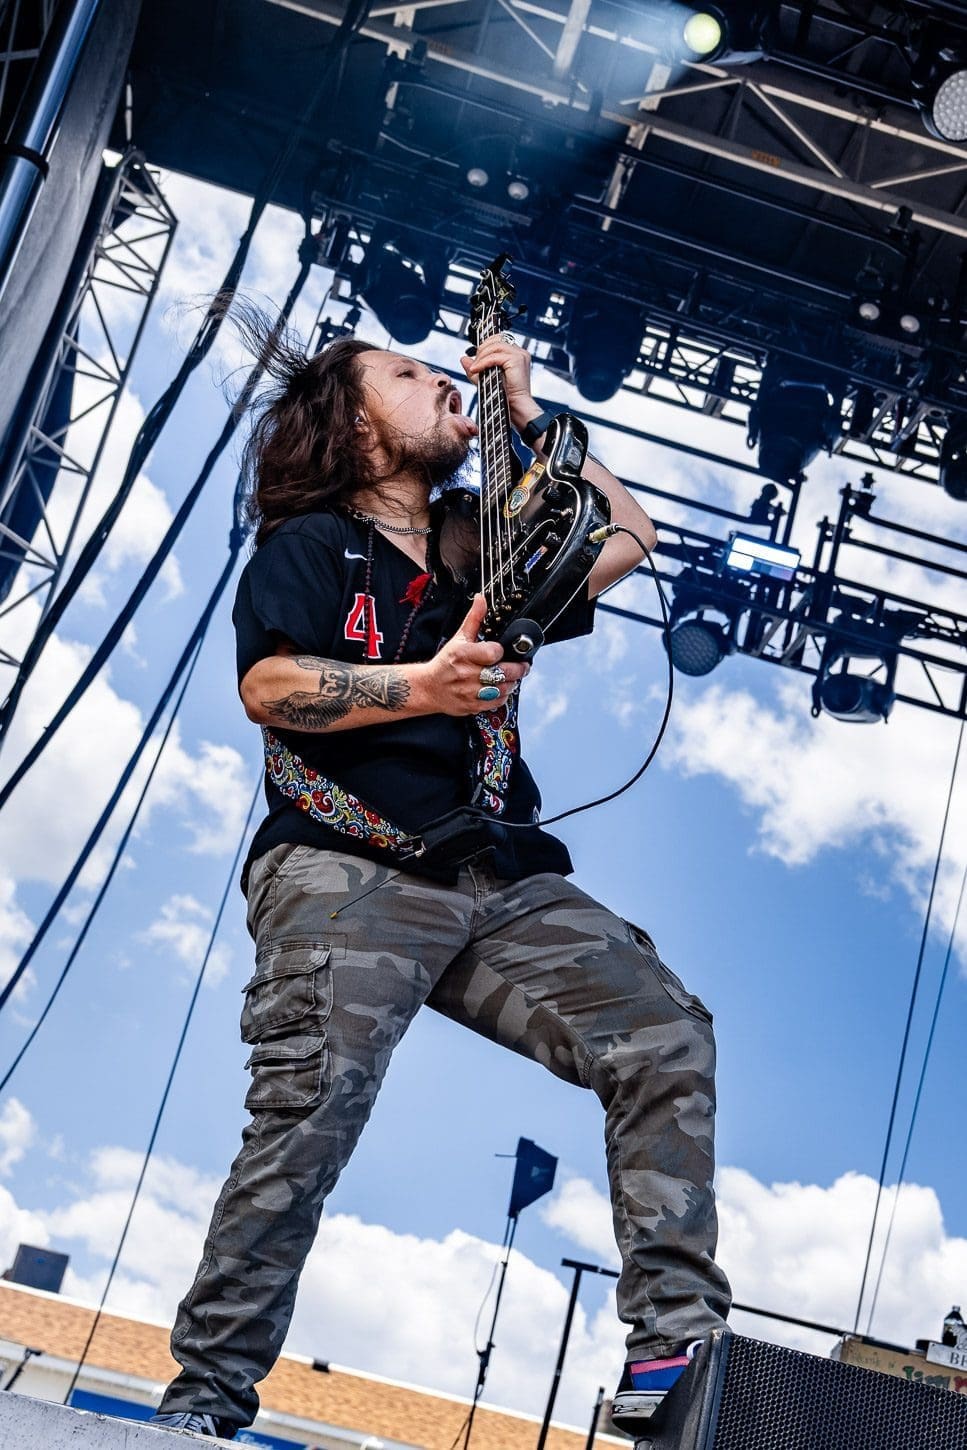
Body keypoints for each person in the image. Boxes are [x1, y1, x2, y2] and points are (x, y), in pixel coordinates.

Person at [150, 321, 731, 1440]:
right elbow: (270, 686)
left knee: (664, 1034)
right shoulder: (311, 547)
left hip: (494, 877)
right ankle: (203, 1398)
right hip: (348, 862)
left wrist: (528, 411)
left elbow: (626, 534)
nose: (438, 382)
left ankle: (670, 1347)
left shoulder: (481, 543)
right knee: (311, 1109)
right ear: (356, 426)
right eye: (407, 377)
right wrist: (421, 685)